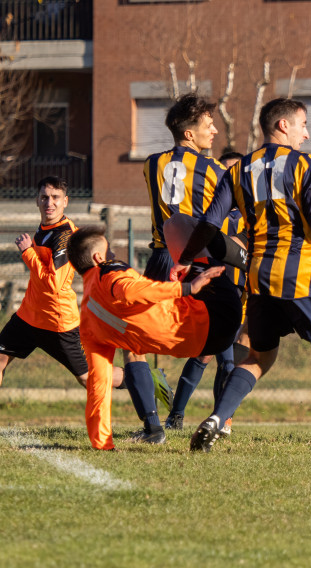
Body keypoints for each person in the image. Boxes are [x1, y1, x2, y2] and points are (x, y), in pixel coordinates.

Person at [172, 98, 311, 456]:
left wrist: (185, 257)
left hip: (259, 278)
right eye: (303, 124)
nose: (307, 133)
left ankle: (218, 417)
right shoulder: (305, 165)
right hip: (304, 274)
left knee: (260, 356)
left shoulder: (239, 169)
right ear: (282, 126)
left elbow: (210, 224)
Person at [65, 225, 242, 451]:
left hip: (198, 346)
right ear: (98, 258)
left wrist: (102, 443)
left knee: (131, 348)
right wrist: (186, 288)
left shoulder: (88, 321)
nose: (113, 255)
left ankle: (152, 428)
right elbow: (131, 291)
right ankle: (257, 252)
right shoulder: (108, 274)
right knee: (179, 226)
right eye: (109, 251)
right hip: (218, 316)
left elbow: (98, 383)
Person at [129, 92, 228, 444]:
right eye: (208, 124)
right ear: (189, 133)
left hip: (160, 259)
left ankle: (153, 427)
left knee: (135, 343)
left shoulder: (150, 163)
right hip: (196, 261)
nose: (214, 130)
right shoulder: (214, 170)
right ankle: (218, 418)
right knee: (213, 341)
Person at [0, 176, 124, 411]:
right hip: (29, 316)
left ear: (65, 201)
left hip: (57, 321)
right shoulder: (45, 228)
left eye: (55, 198)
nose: (50, 202)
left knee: (89, 378)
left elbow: (54, 284)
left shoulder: (66, 236)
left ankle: (145, 380)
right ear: (37, 201)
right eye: (45, 197)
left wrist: (28, 253)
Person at [164, 150, 249, 437]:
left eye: (237, 173)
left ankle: (217, 418)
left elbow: (245, 247)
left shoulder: (251, 213)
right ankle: (194, 416)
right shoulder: (211, 214)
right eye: (227, 173)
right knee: (208, 356)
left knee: (220, 357)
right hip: (212, 290)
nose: (233, 179)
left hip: (241, 292)